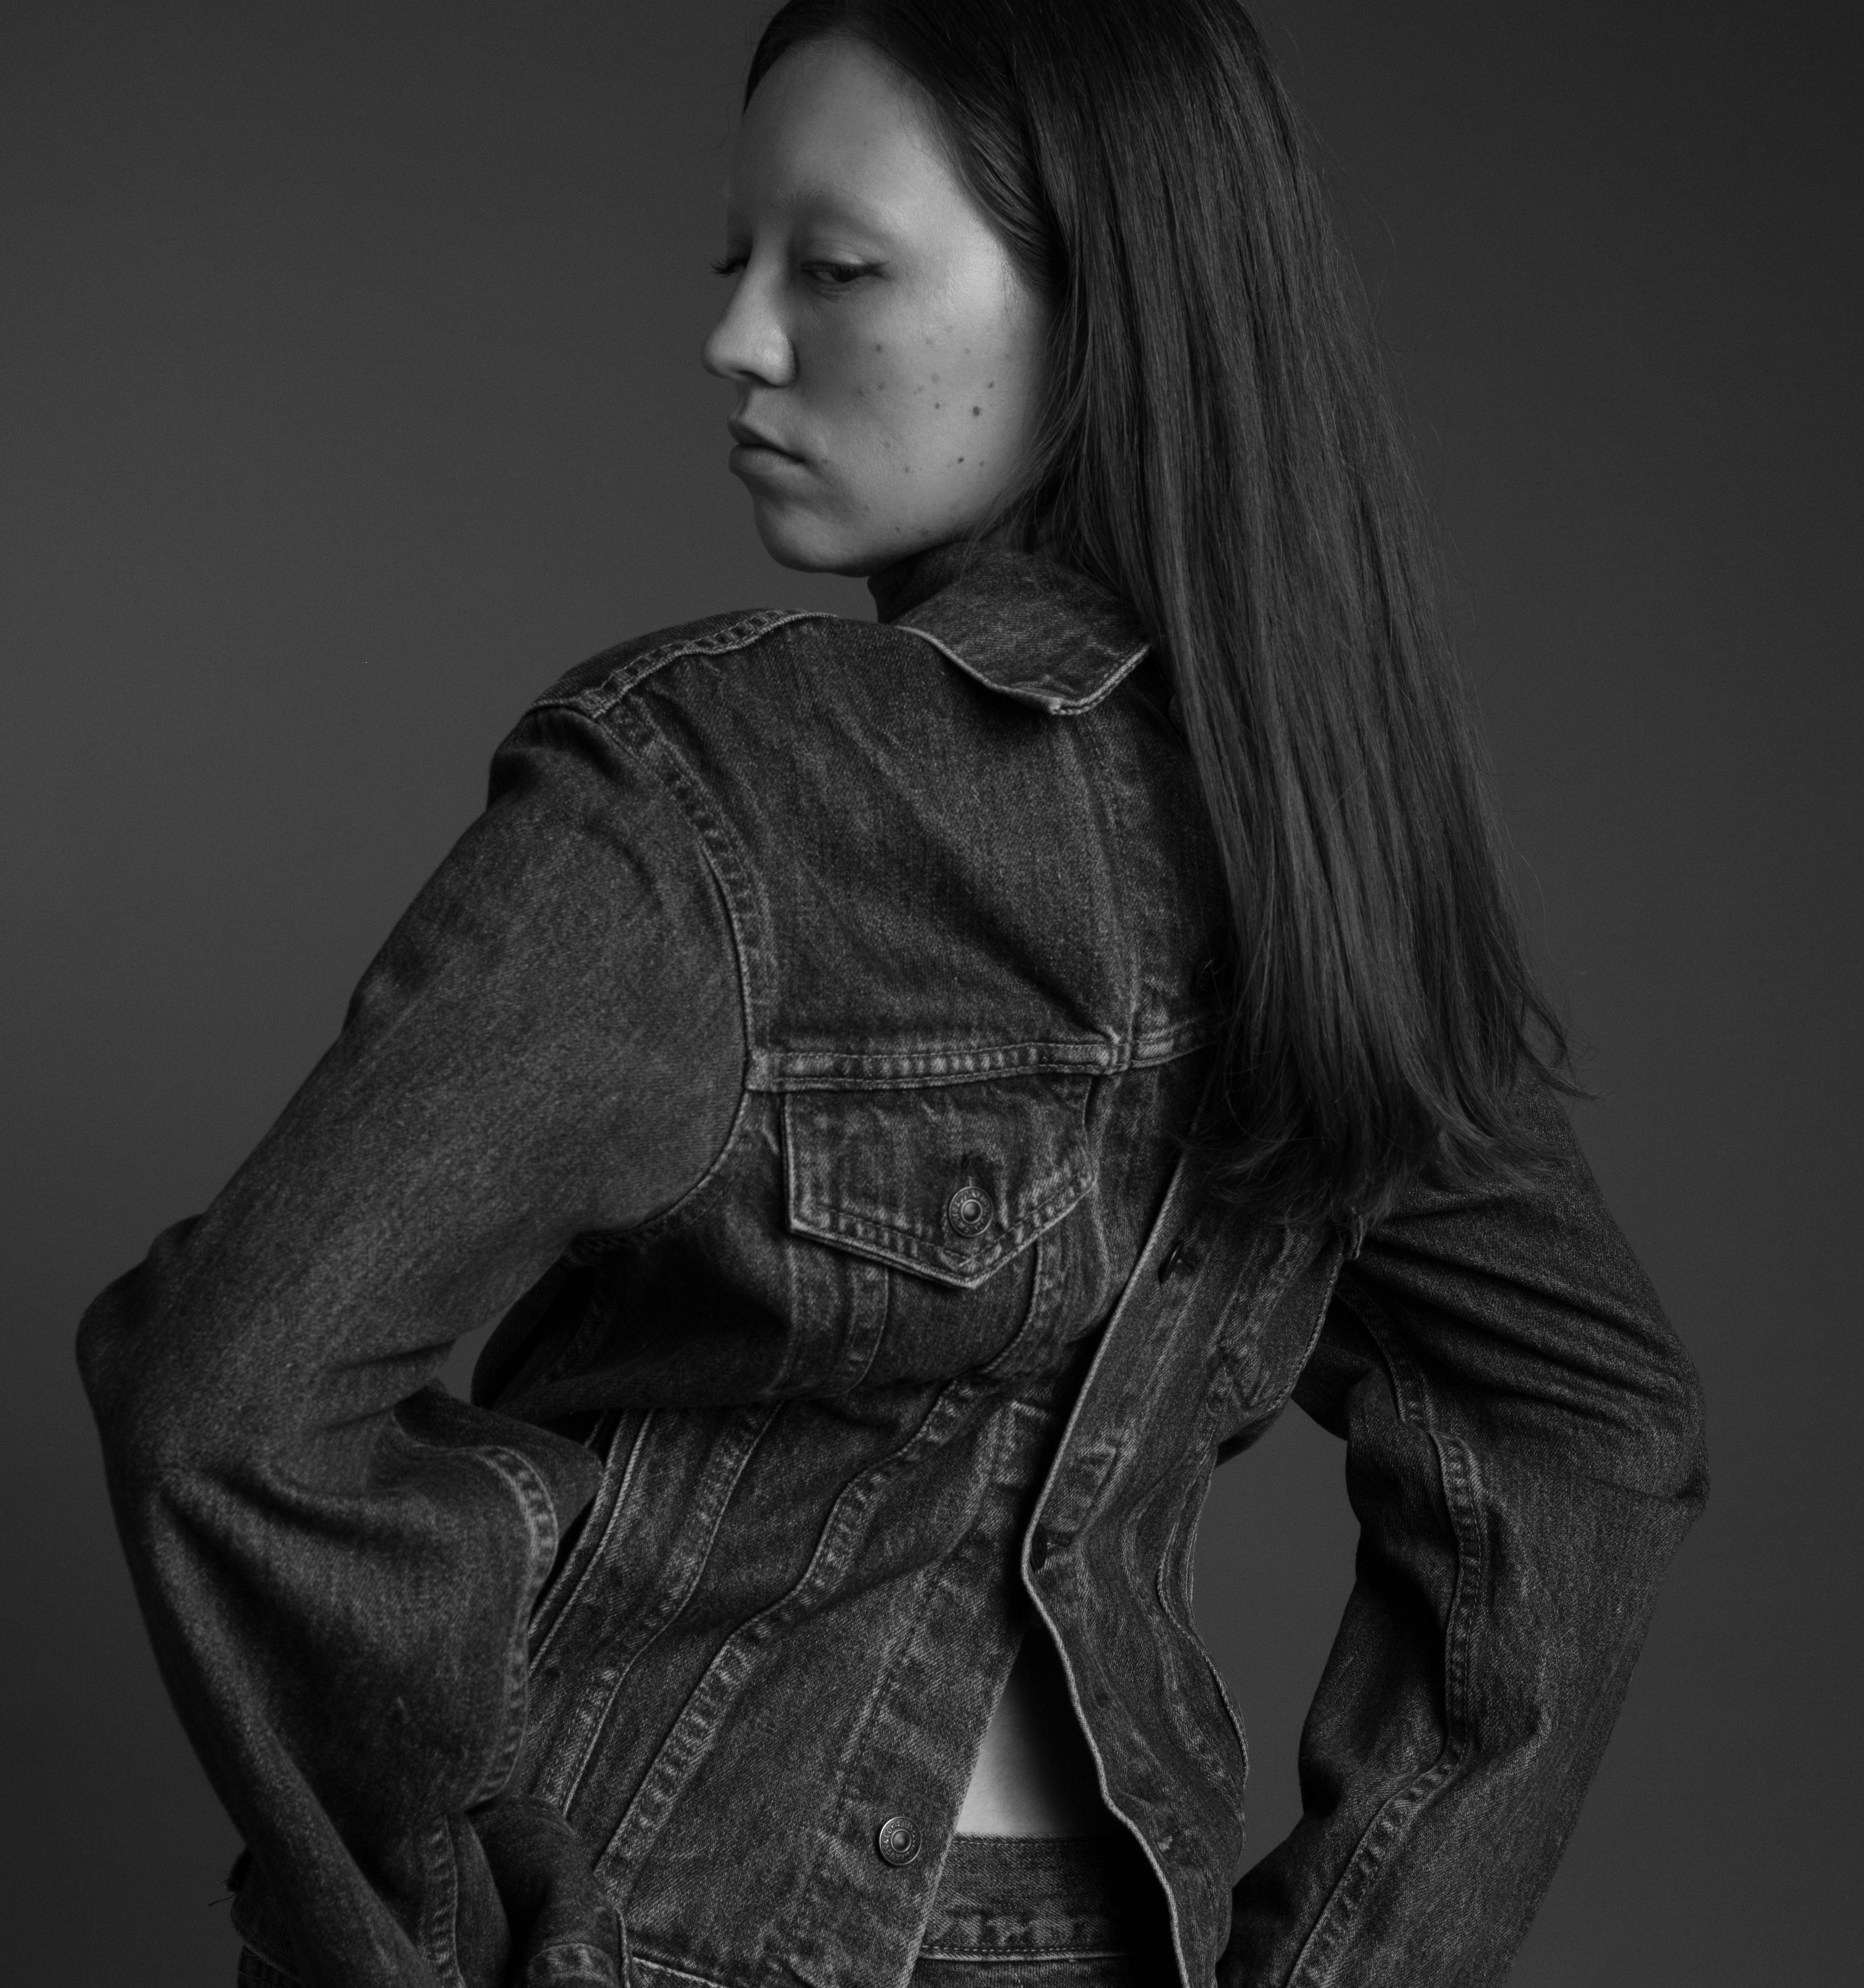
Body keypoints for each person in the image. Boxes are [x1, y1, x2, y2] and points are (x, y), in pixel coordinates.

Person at [77, 3, 1709, 1985]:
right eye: (734, 263)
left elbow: (227, 1396)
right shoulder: (1326, 827)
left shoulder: (717, 784)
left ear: (1110, 301)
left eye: (835, 268)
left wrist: (450, 1906)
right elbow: (1585, 1417)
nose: (739, 339)